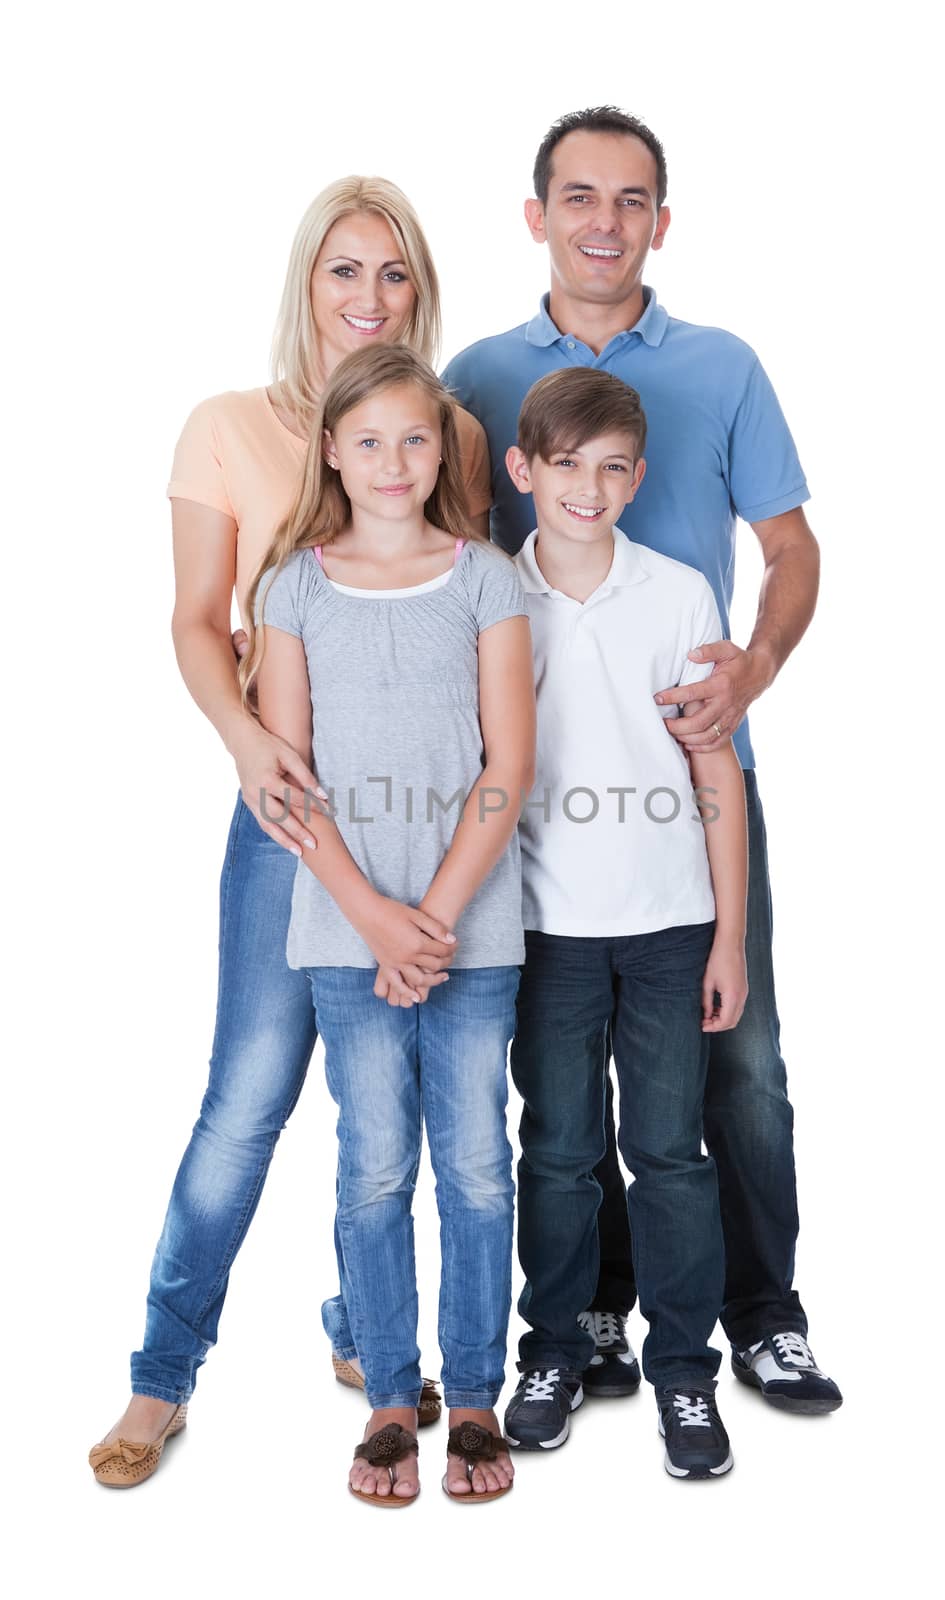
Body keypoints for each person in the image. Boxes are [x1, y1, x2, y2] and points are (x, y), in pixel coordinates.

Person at [89, 176, 493, 1489]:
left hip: (427, 822)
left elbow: (467, 627)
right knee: (252, 1095)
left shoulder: (451, 431)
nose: (370, 299)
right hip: (288, 811)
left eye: (395, 276)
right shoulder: (229, 428)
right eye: (345, 271)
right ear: (306, 286)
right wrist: (251, 745)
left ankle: (362, 1331)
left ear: (419, 297)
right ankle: (161, 1375)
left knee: (402, 1095)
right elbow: (198, 619)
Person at [443, 106, 842, 1414]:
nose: (604, 221)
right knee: (560, 1093)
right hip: (545, 806)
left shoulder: (722, 367)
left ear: (660, 222)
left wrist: (754, 673)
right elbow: (428, 549)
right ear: (537, 214)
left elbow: (791, 550)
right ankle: (594, 1319)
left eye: (630, 200)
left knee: (744, 1063)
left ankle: (760, 1312)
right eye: (578, 196)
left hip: (695, 777)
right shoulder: (479, 373)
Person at [245, 344, 535, 1504]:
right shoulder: (294, 589)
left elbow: (509, 764)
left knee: (473, 1166)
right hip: (344, 929)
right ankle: (386, 1400)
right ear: (331, 451)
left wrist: (438, 919)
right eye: (368, 441)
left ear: (444, 450)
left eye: (416, 439)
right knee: (372, 1170)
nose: (394, 462)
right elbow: (284, 779)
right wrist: (377, 920)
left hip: (473, 930)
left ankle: (472, 1397)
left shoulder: (484, 580)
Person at [500, 367, 748, 1478]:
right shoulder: (494, 598)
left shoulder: (680, 593)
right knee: (554, 1151)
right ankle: (553, 1349)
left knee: (668, 1153)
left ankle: (685, 1375)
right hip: (544, 931)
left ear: (638, 477)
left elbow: (715, 776)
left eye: (612, 468)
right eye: (566, 467)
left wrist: (729, 935)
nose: (589, 489)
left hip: (667, 927)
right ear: (524, 472)